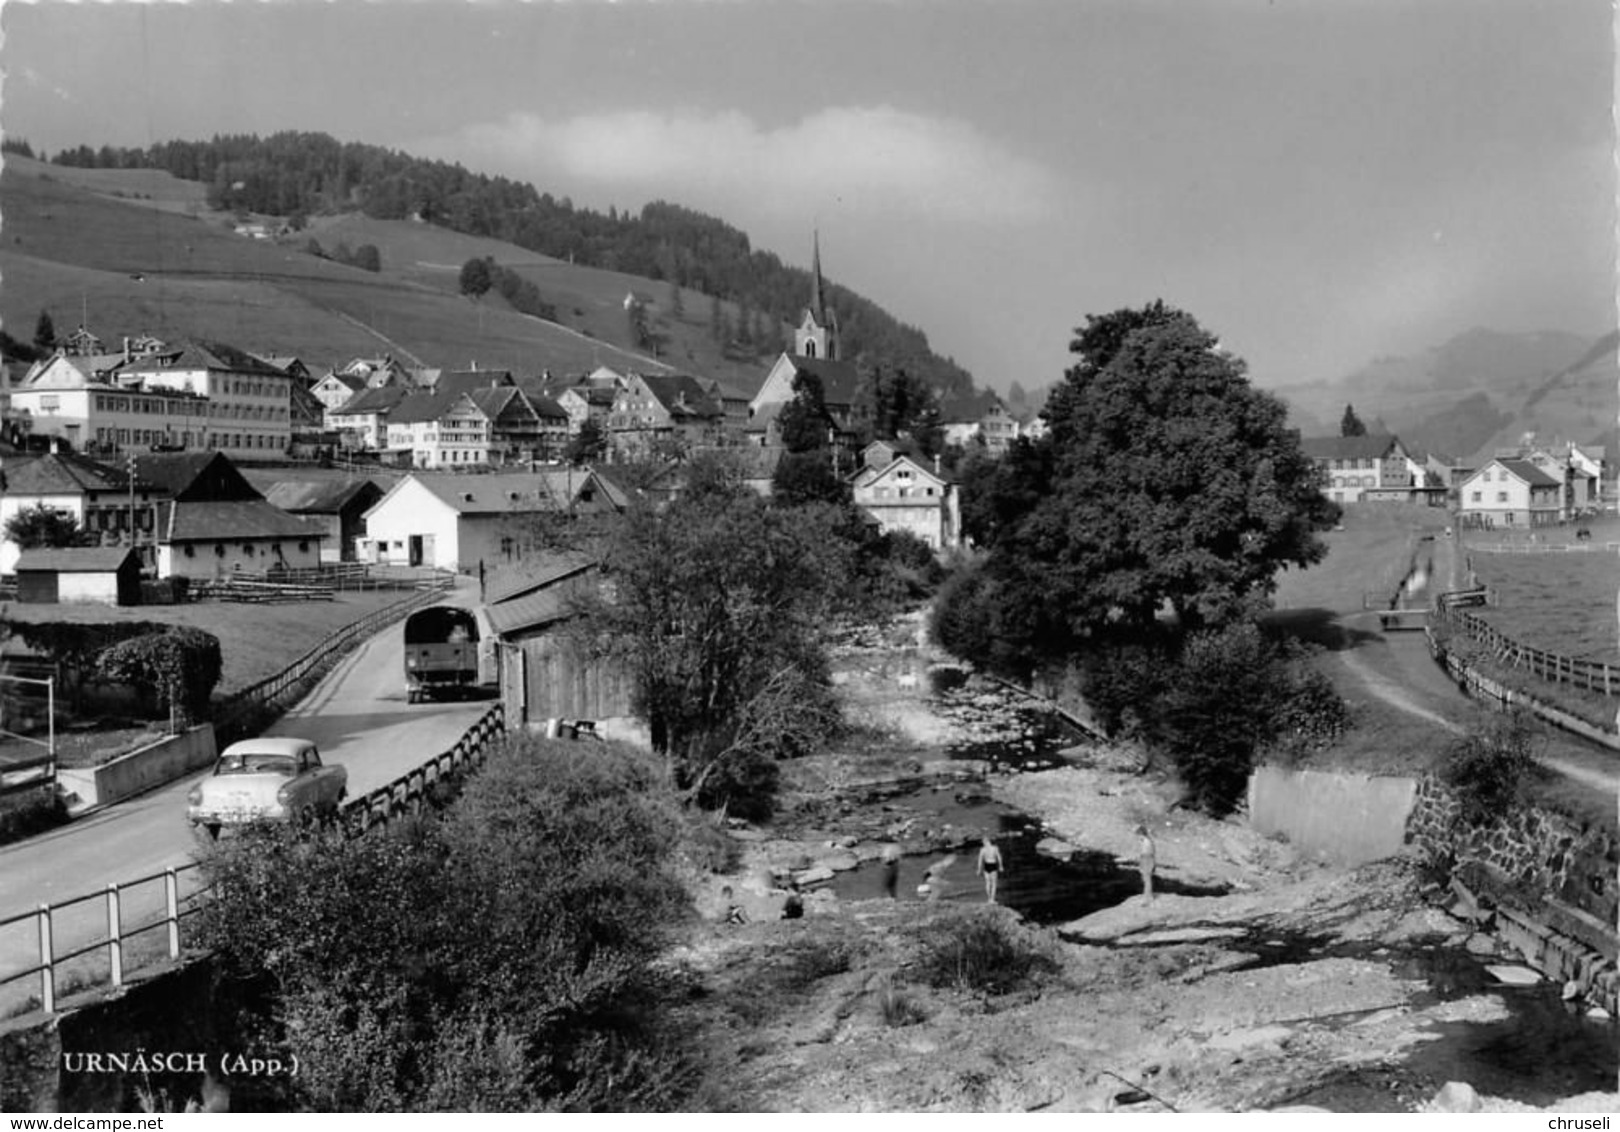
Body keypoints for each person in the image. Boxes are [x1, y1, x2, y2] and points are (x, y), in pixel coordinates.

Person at [976, 836, 1004, 904]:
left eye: (983, 842)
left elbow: (980, 860)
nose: (983, 844)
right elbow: (999, 857)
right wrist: (1000, 866)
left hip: (986, 865)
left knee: (988, 883)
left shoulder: (982, 849)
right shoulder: (995, 848)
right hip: (993, 865)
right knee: (994, 883)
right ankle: (992, 899)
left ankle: (989, 899)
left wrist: (979, 869)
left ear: (986, 842)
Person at [1136, 824, 1157, 901]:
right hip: (1147, 859)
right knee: (1146, 878)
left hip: (1147, 859)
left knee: (1147, 878)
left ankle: (1148, 897)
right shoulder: (1147, 841)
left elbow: (1146, 853)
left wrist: (1141, 860)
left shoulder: (1146, 842)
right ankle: (1147, 895)